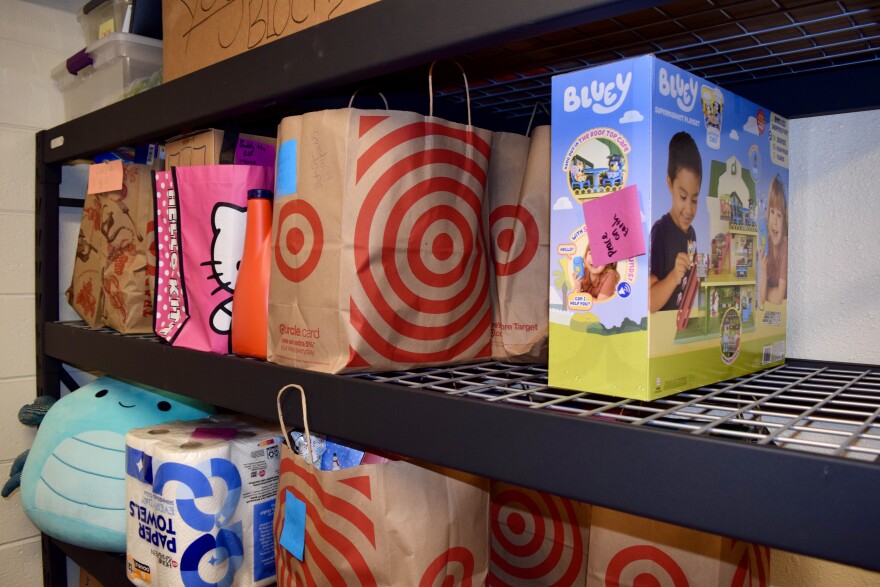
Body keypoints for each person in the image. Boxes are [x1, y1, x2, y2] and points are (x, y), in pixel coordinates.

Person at [650, 131, 702, 312]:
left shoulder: (692, 234)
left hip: (679, 329)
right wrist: (673, 277)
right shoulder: (660, 232)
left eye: (694, 199)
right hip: (662, 331)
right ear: (669, 183)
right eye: (683, 196)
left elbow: (688, 291)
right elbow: (650, 303)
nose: (689, 209)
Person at [759, 176, 788, 306]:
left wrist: (766, 293)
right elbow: (760, 298)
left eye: (779, 215)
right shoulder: (766, 245)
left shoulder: (786, 247)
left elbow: (778, 299)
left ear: (784, 221)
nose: (775, 222)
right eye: (772, 212)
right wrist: (764, 271)